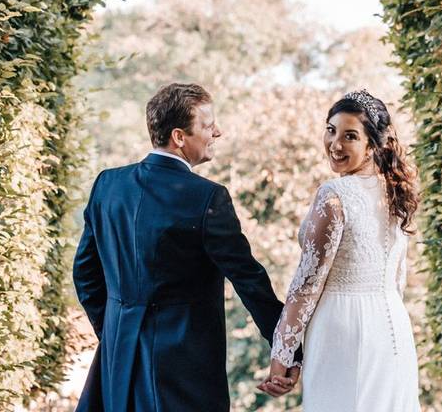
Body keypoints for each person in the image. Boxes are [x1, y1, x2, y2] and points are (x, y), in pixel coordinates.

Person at [73, 82, 298, 411]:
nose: (217, 132)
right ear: (179, 137)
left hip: (117, 363)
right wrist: (286, 347)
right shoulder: (207, 197)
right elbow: (249, 279)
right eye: (207, 126)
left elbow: (85, 276)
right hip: (182, 370)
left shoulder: (108, 185)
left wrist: (116, 332)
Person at [258, 89, 421, 411]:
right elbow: (397, 279)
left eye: (350, 136)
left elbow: (306, 287)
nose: (335, 144)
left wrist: (282, 355)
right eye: (331, 130)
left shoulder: (334, 195)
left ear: (372, 144)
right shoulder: (396, 192)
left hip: (342, 329)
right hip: (393, 329)